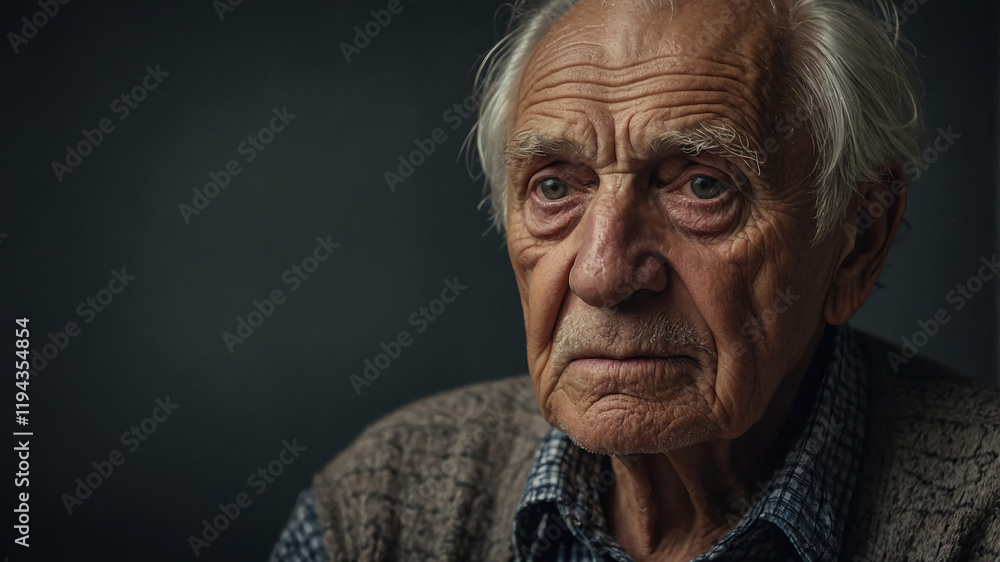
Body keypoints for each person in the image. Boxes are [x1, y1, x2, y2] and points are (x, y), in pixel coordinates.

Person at [271, 0, 1000, 559]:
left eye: (703, 186)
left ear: (857, 240)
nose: (603, 274)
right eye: (555, 187)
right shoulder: (385, 505)